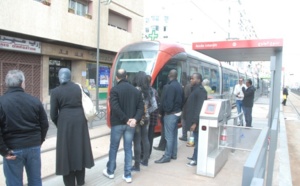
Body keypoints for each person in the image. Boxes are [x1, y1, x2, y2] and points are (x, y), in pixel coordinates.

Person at [0, 69, 49, 186]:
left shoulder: (1, 102)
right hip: (33, 146)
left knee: (14, 182)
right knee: (35, 180)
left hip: (12, 149)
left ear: (7, 84)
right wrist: (39, 141)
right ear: (22, 83)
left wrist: (4, 151)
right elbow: (45, 124)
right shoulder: (35, 101)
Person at [50, 68, 94, 186]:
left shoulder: (55, 92)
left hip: (65, 121)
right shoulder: (78, 88)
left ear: (60, 77)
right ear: (70, 76)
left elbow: (53, 114)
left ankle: (69, 182)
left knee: (66, 151)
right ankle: (80, 180)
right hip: (80, 120)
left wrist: (59, 124)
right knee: (80, 148)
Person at [103, 69, 144, 183]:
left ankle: (110, 171)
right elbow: (141, 108)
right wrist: (134, 119)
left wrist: (125, 119)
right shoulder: (136, 91)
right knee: (128, 148)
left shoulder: (114, 90)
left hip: (118, 124)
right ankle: (127, 175)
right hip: (130, 125)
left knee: (113, 148)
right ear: (126, 76)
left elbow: (115, 108)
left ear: (117, 78)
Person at [155, 69, 183, 164]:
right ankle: (173, 154)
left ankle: (167, 156)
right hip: (177, 113)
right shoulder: (179, 86)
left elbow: (168, 102)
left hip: (170, 114)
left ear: (169, 75)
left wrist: (165, 111)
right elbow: (183, 100)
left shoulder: (170, 87)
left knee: (169, 137)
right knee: (174, 135)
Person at [131, 72, 153, 171]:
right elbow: (155, 105)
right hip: (146, 118)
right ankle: (145, 161)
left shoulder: (135, 90)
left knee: (137, 141)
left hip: (137, 118)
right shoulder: (150, 90)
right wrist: (147, 112)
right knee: (145, 139)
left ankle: (136, 165)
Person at [185, 73, 207, 166]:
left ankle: (196, 160)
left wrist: (194, 123)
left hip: (197, 123)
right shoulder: (195, 90)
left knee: (198, 141)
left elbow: (199, 108)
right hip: (194, 121)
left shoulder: (201, 91)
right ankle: (195, 156)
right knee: (196, 139)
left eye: (192, 78)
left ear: (198, 80)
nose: (191, 80)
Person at [146, 75, 159, 158]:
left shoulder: (148, 91)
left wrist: (147, 112)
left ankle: (145, 154)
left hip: (148, 117)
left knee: (145, 136)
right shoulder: (155, 91)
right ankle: (148, 153)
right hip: (154, 117)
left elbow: (154, 105)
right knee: (150, 136)